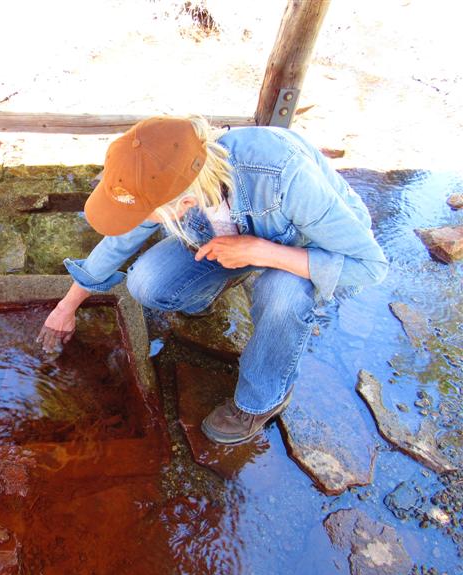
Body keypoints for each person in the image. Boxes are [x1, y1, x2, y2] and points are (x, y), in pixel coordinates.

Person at [36, 115, 388, 445]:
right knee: (146, 283)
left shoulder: (283, 173)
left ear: (184, 202)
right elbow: (118, 242)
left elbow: (369, 267)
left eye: (148, 215)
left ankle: (262, 399)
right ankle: (219, 282)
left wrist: (258, 252)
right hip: (228, 236)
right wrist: (67, 306)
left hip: (304, 247)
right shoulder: (166, 170)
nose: (141, 219)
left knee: (279, 293)